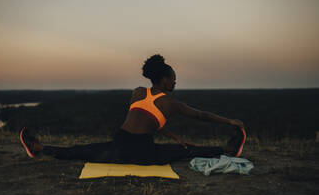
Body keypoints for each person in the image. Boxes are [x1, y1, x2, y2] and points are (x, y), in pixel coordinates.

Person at [20, 54, 246, 165]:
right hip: (141, 151)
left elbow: (141, 118)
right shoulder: (171, 103)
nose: (175, 83)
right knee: (185, 151)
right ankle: (227, 150)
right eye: (174, 79)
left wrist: (163, 129)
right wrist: (230, 122)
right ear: (165, 80)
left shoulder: (138, 91)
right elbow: (202, 116)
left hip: (120, 142)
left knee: (81, 150)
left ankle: (38, 147)